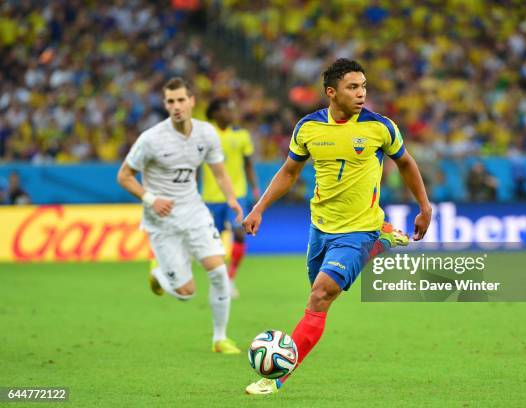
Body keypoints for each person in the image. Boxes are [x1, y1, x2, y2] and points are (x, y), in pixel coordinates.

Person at [242, 59, 432, 394]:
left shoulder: (380, 127)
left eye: (364, 87)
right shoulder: (308, 128)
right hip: (321, 226)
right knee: (316, 288)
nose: (362, 94)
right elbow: (289, 172)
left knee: (320, 296)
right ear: (332, 92)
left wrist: (424, 206)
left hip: (359, 227)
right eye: (353, 87)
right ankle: (383, 240)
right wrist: (259, 208)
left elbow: (405, 162)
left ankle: (276, 377)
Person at [117, 77, 243, 354]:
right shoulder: (150, 139)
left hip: (194, 212)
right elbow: (124, 176)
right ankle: (159, 273)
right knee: (187, 294)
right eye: (170, 101)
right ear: (165, 104)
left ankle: (219, 339)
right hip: (162, 220)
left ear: (192, 101)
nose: (176, 106)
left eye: (181, 100)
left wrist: (232, 199)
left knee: (219, 272)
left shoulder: (206, 133)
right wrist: (151, 199)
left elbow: (219, 172)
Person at [202, 98, 260, 298]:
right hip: (211, 196)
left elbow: (248, 164)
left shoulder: (242, 135)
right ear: (216, 112)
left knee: (239, 233)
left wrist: (255, 188)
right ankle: (219, 280)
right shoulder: (206, 134)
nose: (230, 112)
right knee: (213, 241)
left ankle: (230, 278)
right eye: (226, 108)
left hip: (237, 194)